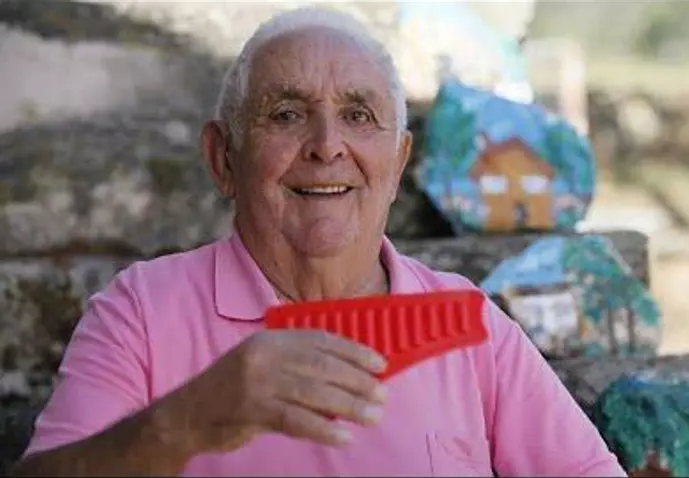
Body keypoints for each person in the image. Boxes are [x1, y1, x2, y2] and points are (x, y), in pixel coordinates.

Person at [10, 7, 625, 477]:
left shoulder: (470, 327)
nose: (327, 146)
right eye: (287, 114)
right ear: (224, 159)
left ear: (398, 162)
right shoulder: (142, 312)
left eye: (358, 115)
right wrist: (185, 422)